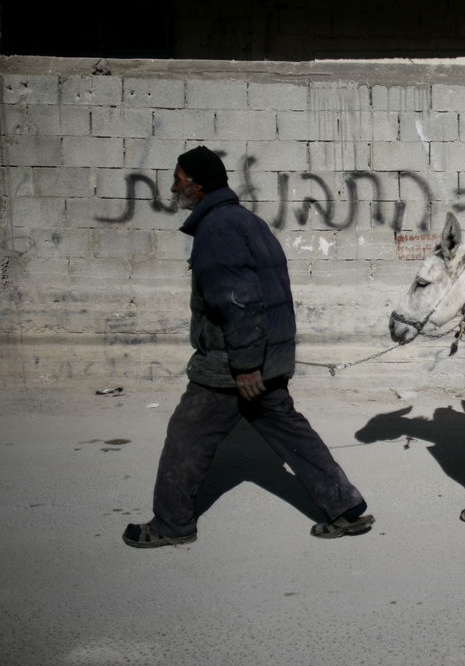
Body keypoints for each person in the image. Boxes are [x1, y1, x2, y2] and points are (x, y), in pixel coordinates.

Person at [123, 146, 374, 547]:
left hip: (231, 366)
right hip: (264, 357)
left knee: (187, 435)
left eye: (179, 179)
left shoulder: (218, 228)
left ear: (198, 185)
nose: (174, 187)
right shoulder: (246, 222)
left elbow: (237, 300)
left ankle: (172, 525)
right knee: (291, 433)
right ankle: (345, 509)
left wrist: (244, 366)